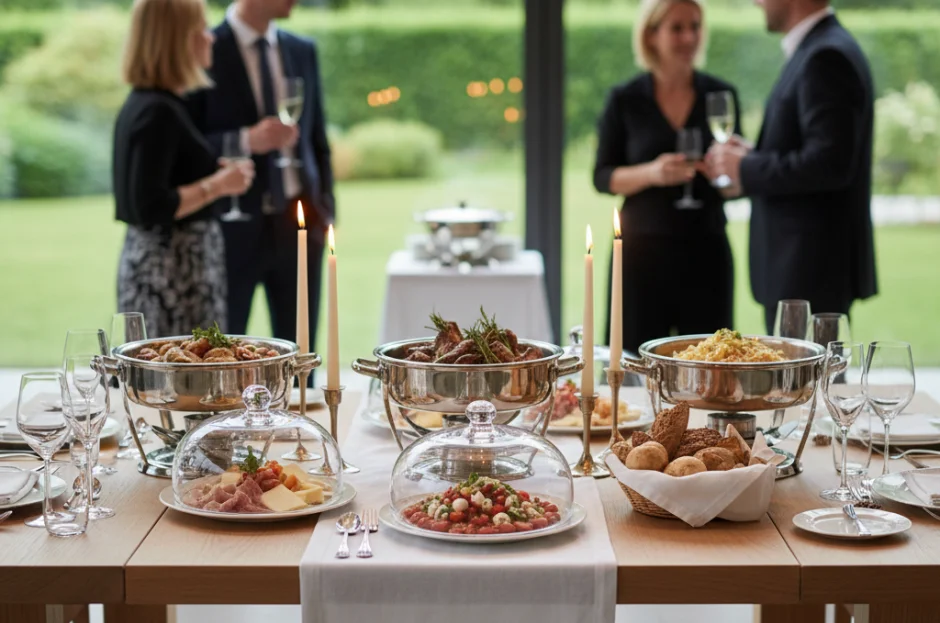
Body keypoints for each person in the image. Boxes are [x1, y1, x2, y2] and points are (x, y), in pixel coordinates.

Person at [706, 0, 876, 334]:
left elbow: (830, 164)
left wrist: (747, 168)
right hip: (802, 269)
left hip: (808, 270)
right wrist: (754, 156)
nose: (756, 1)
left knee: (809, 370)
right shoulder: (819, 48)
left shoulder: (826, 56)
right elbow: (817, 150)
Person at [593, 0, 740, 354]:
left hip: (706, 251)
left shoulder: (720, 95)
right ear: (651, 34)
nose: (689, 37)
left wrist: (725, 171)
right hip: (640, 253)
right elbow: (602, 176)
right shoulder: (625, 99)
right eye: (677, 28)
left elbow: (735, 183)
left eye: (695, 27)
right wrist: (653, 173)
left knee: (708, 364)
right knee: (633, 364)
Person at [188, 0, 335, 350]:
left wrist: (325, 213)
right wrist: (246, 140)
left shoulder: (302, 49)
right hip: (229, 226)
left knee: (301, 356)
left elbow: (317, 139)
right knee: (223, 354)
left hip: (299, 224)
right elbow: (186, 143)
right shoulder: (205, 47)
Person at [114, 0, 255, 338]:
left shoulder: (149, 103)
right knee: (180, 368)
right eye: (201, 30)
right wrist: (219, 185)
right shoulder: (158, 111)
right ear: (177, 40)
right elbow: (151, 204)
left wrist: (211, 173)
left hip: (169, 267)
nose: (211, 37)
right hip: (172, 273)